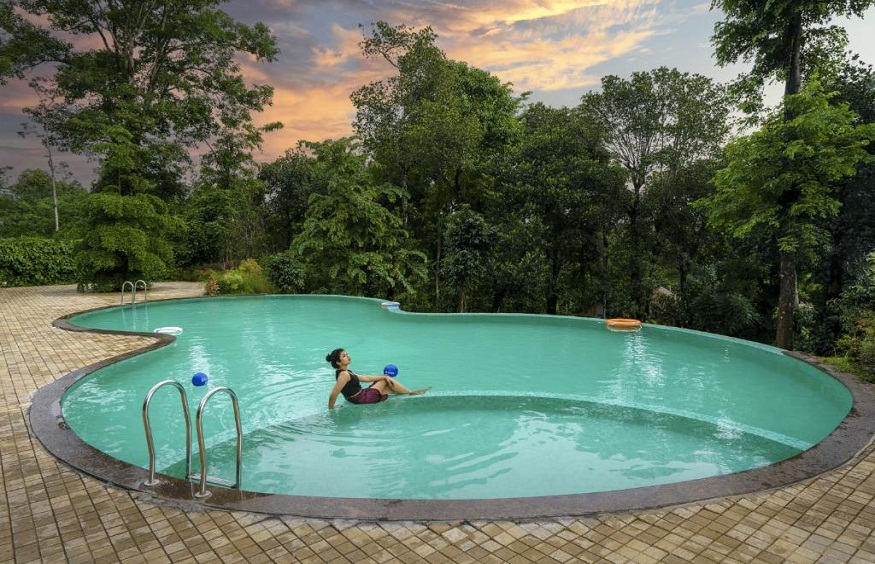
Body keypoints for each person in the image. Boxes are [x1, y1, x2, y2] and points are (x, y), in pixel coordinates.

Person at [326, 348, 430, 409]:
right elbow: (333, 395)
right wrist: (332, 409)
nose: (348, 356)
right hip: (361, 399)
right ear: (338, 362)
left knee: (387, 383)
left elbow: (366, 378)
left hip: (360, 396)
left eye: (347, 354)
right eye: (344, 356)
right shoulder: (344, 375)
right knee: (386, 382)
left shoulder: (346, 372)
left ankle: (408, 394)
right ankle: (411, 393)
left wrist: (383, 376)